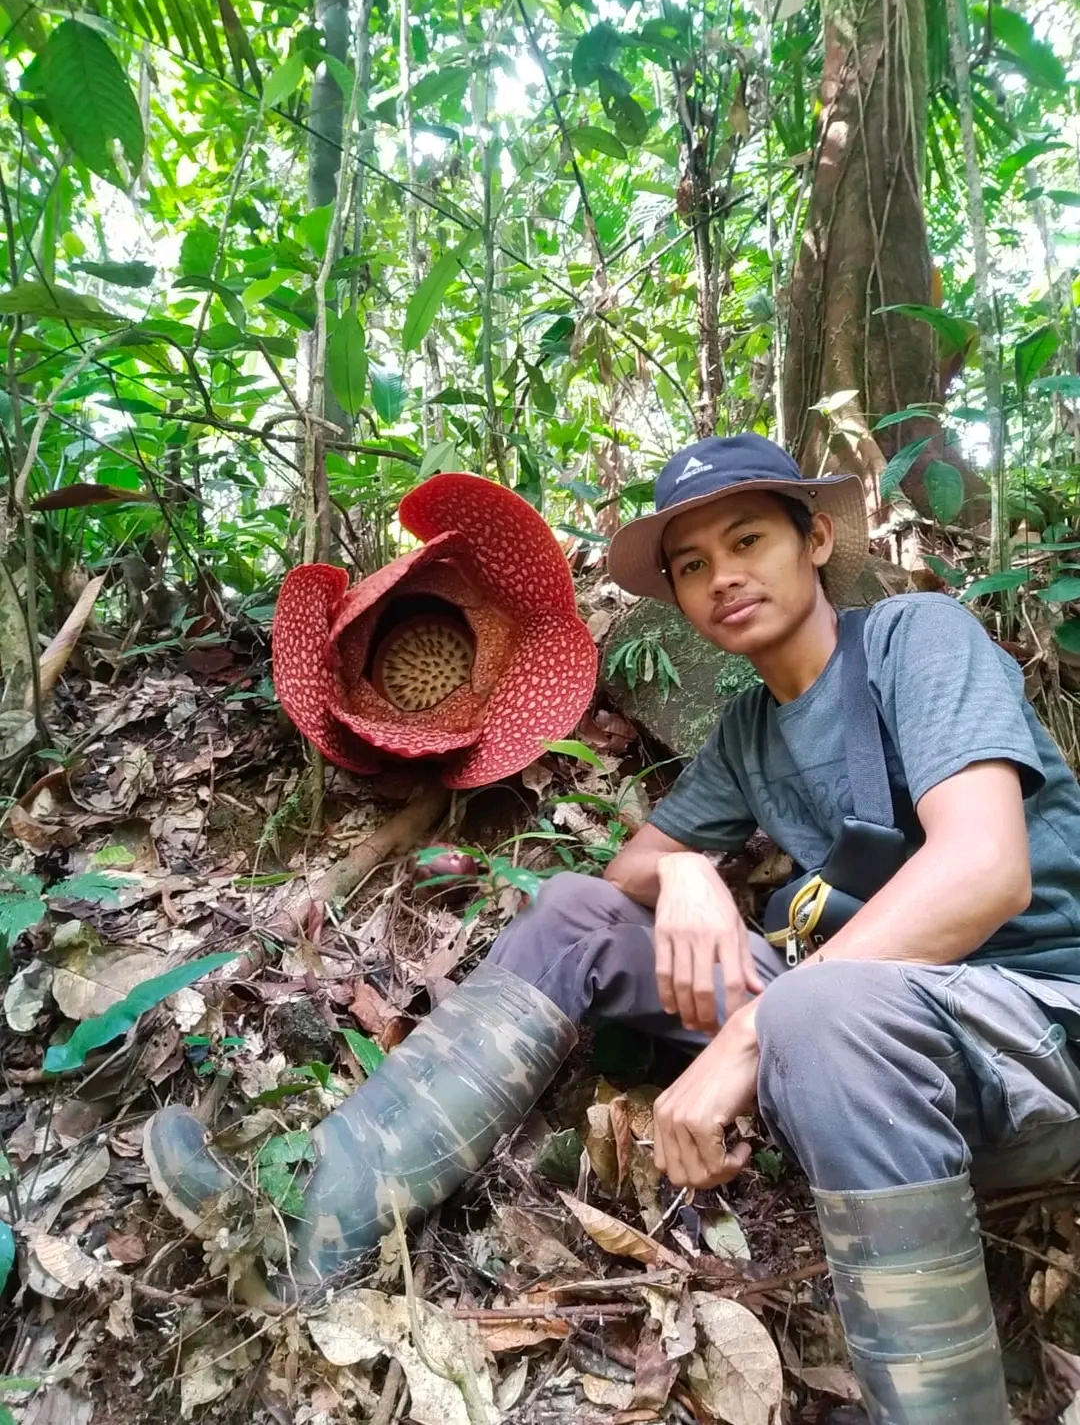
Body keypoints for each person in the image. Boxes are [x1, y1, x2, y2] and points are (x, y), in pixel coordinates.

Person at [147, 435, 1080, 1425]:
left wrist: (752, 1032)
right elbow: (626, 872)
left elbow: (982, 867)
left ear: (814, 539)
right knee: (576, 916)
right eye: (690, 565)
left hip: (1034, 1031)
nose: (722, 575)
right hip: (859, 1047)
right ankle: (319, 1215)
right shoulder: (751, 735)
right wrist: (686, 870)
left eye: (748, 538)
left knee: (824, 1006)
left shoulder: (914, 639)